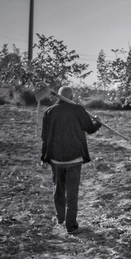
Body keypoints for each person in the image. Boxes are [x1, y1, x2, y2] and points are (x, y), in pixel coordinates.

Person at [41, 86, 101, 234]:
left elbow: (45, 137)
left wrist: (43, 158)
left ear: (57, 96)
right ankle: (71, 226)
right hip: (74, 158)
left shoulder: (49, 112)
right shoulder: (78, 109)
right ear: (72, 97)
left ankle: (60, 218)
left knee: (58, 190)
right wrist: (98, 122)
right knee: (72, 194)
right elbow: (90, 129)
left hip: (56, 159)